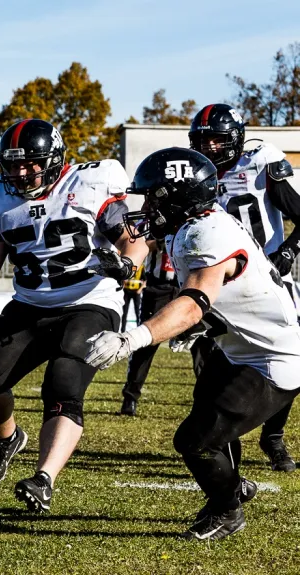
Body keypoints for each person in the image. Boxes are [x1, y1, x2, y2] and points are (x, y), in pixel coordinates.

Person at [86, 147, 300, 541]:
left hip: (272, 357)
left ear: (178, 198)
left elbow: (192, 303)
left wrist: (131, 339)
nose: (146, 208)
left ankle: (227, 511)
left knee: (194, 442)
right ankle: (231, 485)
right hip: (242, 346)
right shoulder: (195, 224)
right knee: (206, 410)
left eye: (154, 199)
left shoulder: (206, 233)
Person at [0, 118, 148, 513]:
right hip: (30, 303)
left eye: (30, 163)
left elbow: (134, 241)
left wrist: (127, 265)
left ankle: (43, 479)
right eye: (13, 164)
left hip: (89, 301)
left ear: (54, 160)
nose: (21, 173)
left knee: (64, 382)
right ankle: (9, 438)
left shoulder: (88, 184)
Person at [189, 103, 300, 472]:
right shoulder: (195, 173)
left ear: (236, 139)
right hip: (219, 283)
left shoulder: (259, 162)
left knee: (285, 360)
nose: (209, 148)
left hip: (267, 281)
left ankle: (274, 437)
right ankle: (220, 444)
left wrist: (287, 250)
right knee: (211, 364)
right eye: (202, 141)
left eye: (217, 140)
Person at [119, 241, 177, 416]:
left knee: (202, 345)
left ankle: (207, 402)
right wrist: (163, 238)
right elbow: (141, 245)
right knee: (146, 342)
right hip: (159, 286)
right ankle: (130, 397)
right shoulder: (155, 224)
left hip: (190, 284)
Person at [120, 265, 144, 331]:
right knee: (124, 311)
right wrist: (123, 282)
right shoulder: (127, 265)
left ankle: (138, 328)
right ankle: (122, 330)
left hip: (136, 291)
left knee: (137, 311)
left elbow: (145, 279)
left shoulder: (141, 267)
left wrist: (140, 289)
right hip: (127, 291)